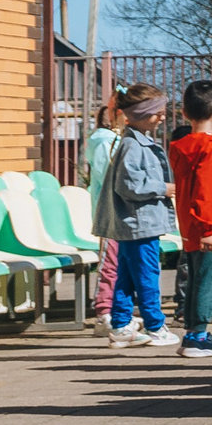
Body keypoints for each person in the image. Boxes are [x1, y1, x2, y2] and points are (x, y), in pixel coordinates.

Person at [95, 84, 177, 348]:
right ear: (141, 114)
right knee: (147, 275)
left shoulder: (133, 143)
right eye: (158, 113)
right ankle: (155, 326)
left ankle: (120, 326)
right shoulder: (134, 146)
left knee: (127, 276)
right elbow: (128, 185)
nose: (162, 117)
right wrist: (164, 188)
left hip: (136, 223)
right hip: (140, 224)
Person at [167, 80, 212, 358]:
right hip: (210, 228)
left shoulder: (182, 146)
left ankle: (192, 333)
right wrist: (210, 229)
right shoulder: (210, 148)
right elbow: (208, 193)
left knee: (197, 279)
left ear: (185, 113)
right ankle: (198, 336)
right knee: (209, 280)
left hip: (191, 226)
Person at [81, 91, 126, 319]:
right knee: (110, 262)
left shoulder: (121, 141)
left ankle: (118, 309)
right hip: (110, 213)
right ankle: (104, 310)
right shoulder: (103, 142)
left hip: (126, 214)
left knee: (123, 265)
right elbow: (109, 175)